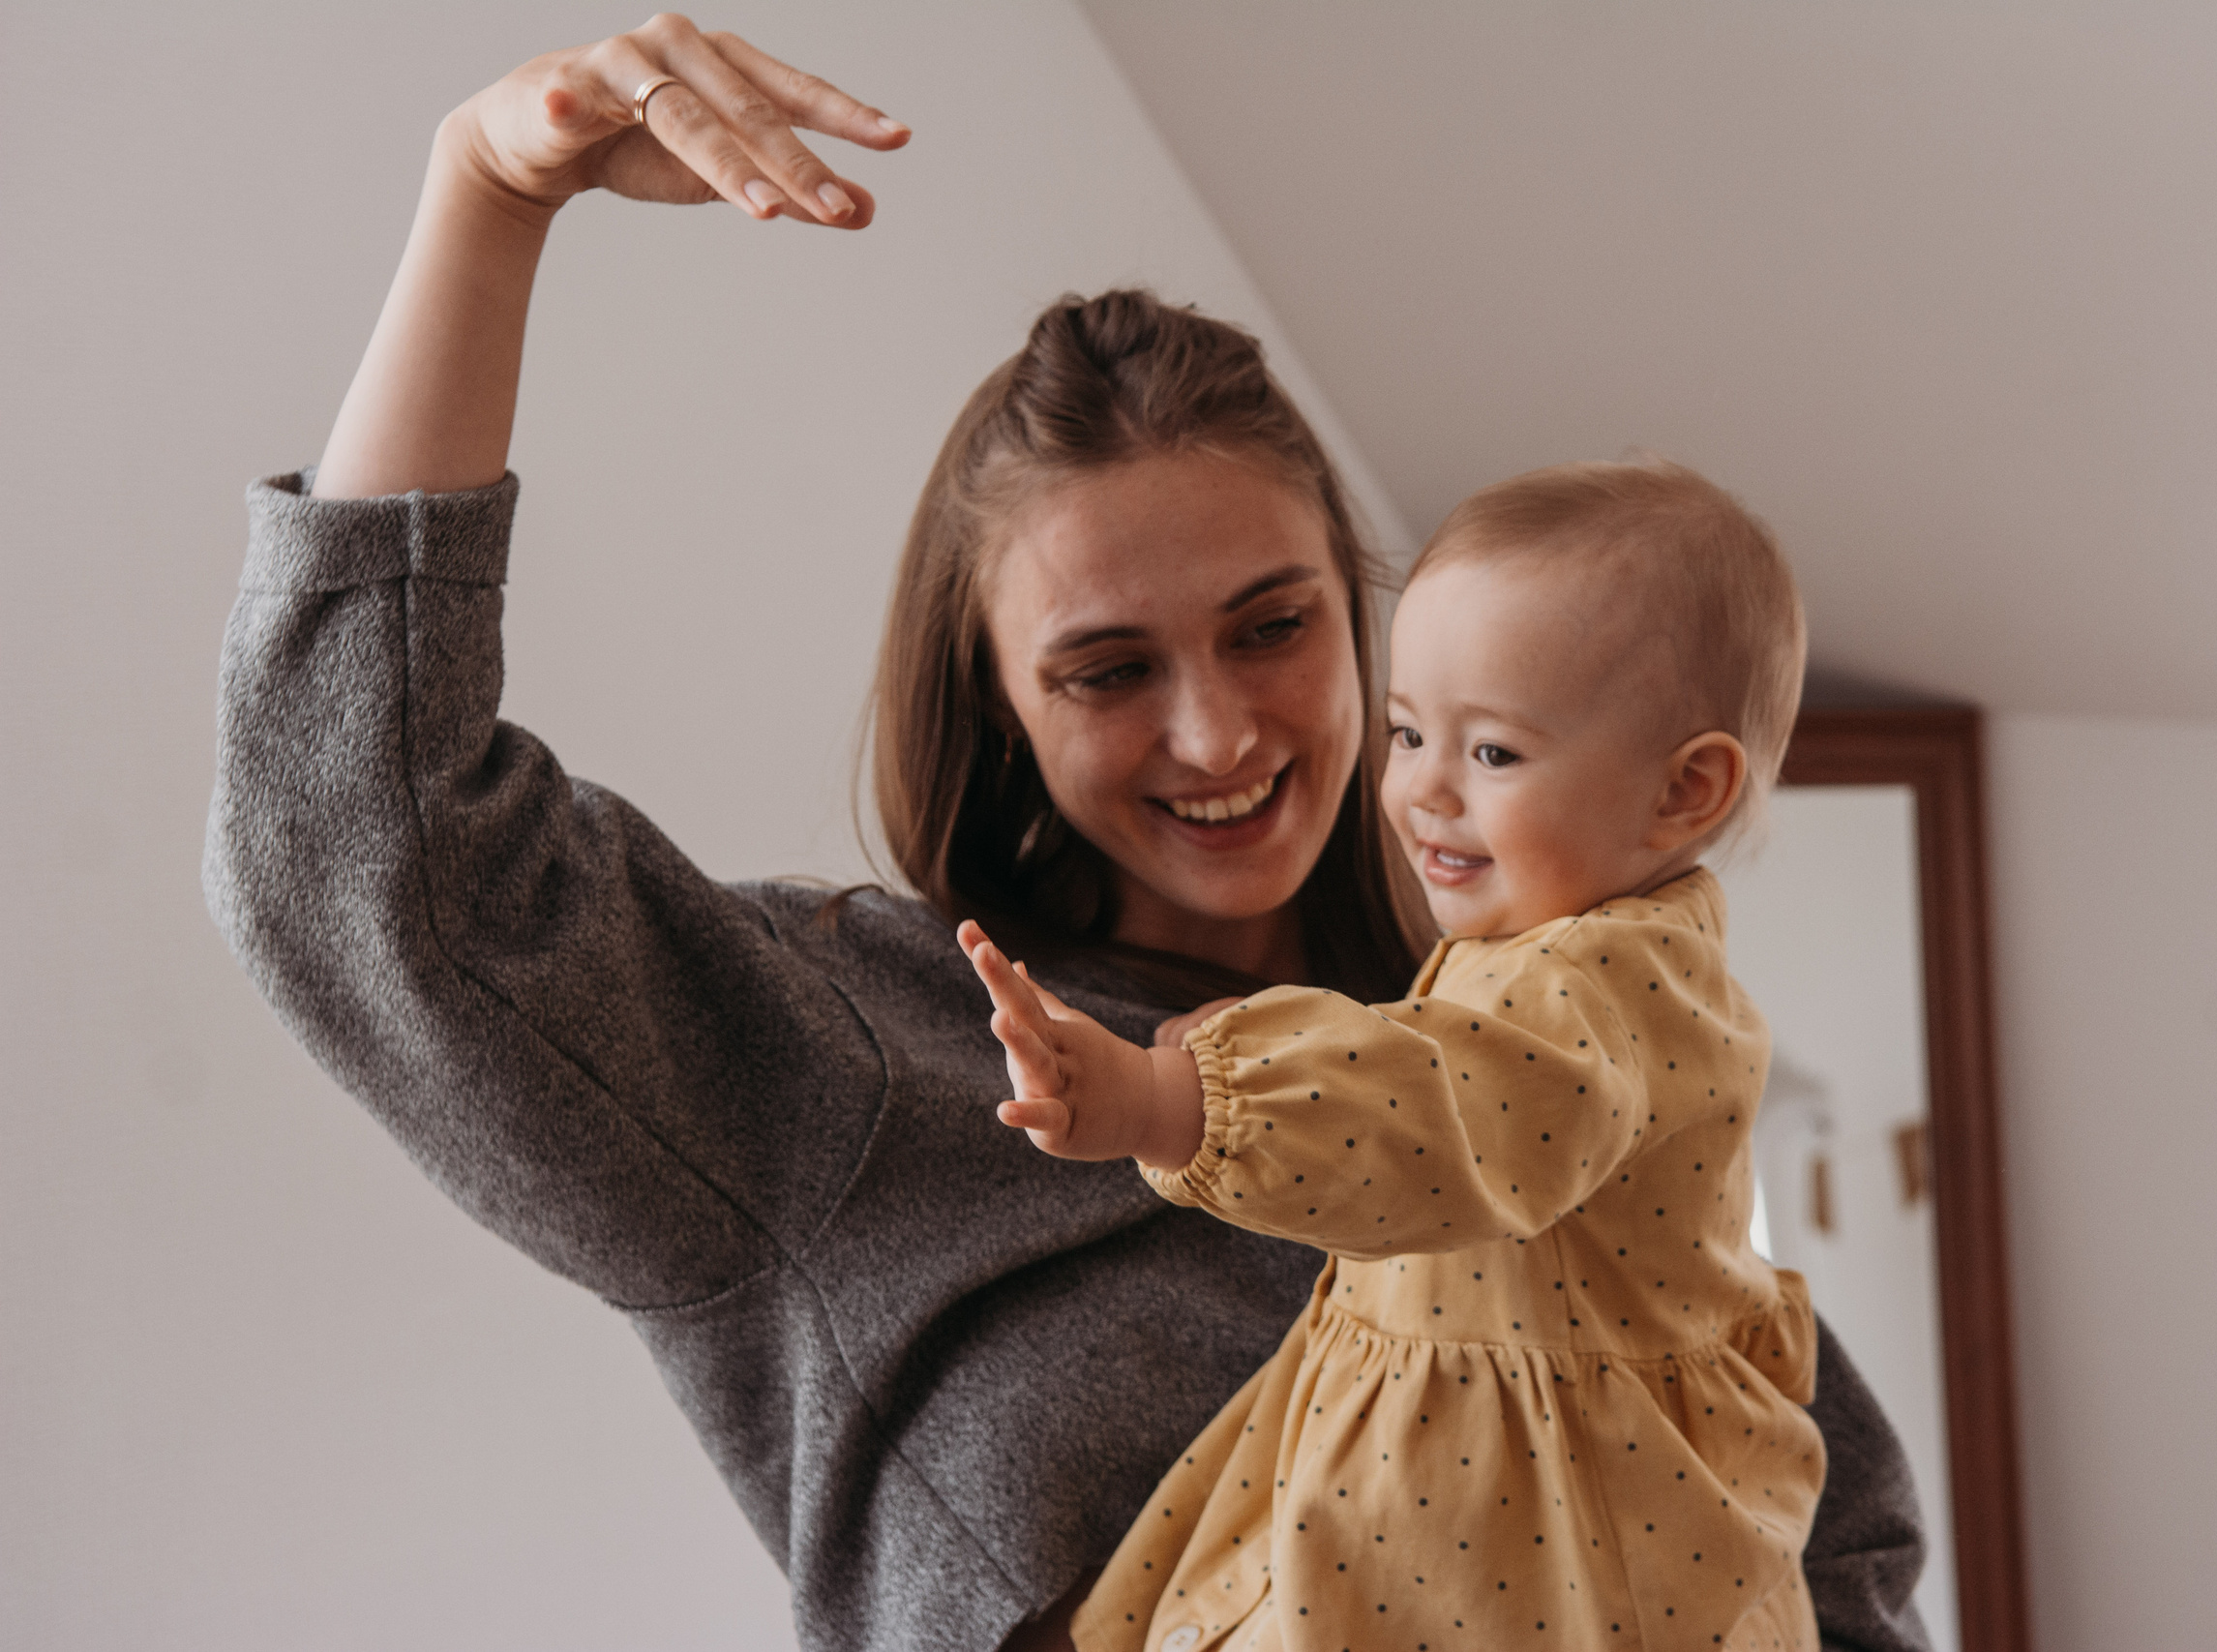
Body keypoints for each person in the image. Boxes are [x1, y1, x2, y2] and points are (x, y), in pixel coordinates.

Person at [204, 18, 1932, 1652]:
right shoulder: (859, 1052)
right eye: (1109, 668)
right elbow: (369, 868)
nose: (1219, 731)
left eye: (1274, 626)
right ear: (999, 704)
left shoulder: (1538, 1055)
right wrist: (487, 201)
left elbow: (1836, 1538)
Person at [961, 460, 1825, 1650]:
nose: (1421, 789)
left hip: (1549, 1540)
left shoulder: (1615, 981)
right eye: (1410, 731)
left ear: (1685, 791)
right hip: (1426, 1466)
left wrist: (1172, 1097)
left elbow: (1451, 1112)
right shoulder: (1556, 948)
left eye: (1494, 756)